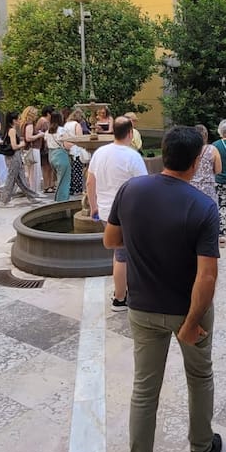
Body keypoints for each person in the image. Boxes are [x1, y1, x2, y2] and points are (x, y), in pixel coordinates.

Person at [102, 126, 222, 452]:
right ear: (196, 161)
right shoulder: (202, 206)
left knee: (144, 391)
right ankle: (201, 449)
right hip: (188, 311)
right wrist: (191, 322)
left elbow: (110, 240)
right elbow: (207, 276)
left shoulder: (131, 190)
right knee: (199, 377)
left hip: (142, 309)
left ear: (164, 153)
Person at [88, 117, 148, 311]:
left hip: (105, 211)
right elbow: (144, 187)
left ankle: (123, 291)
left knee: (119, 253)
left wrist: (93, 206)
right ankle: (120, 298)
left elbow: (90, 182)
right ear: (130, 133)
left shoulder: (99, 153)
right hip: (127, 213)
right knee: (123, 255)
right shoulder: (132, 156)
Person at [0, 110, 45, 207]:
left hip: (14, 156)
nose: (20, 120)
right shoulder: (12, 130)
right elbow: (14, 146)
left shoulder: (8, 129)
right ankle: (4, 200)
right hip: (13, 157)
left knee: (21, 179)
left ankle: (32, 197)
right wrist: (22, 144)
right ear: (13, 120)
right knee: (11, 178)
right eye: (18, 119)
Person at [189, 124, 222, 242]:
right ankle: (212, 236)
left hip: (192, 186)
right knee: (210, 213)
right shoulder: (212, 149)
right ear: (206, 136)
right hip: (208, 186)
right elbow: (218, 170)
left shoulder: (189, 149)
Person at [46, 111, 73, 202]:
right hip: (61, 155)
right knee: (64, 180)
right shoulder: (62, 130)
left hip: (51, 155)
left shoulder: (48, 131)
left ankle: (58, 199)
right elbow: (67, 145)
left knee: (58, 179)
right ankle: (62, 201)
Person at [65, 109, 90, 199]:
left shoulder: (66, 124)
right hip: (76, 150)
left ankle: (71, 188)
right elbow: (80, 138)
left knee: (71, 170)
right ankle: (78, 189)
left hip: (68, 148)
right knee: (78, 170)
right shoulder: (77, 125)